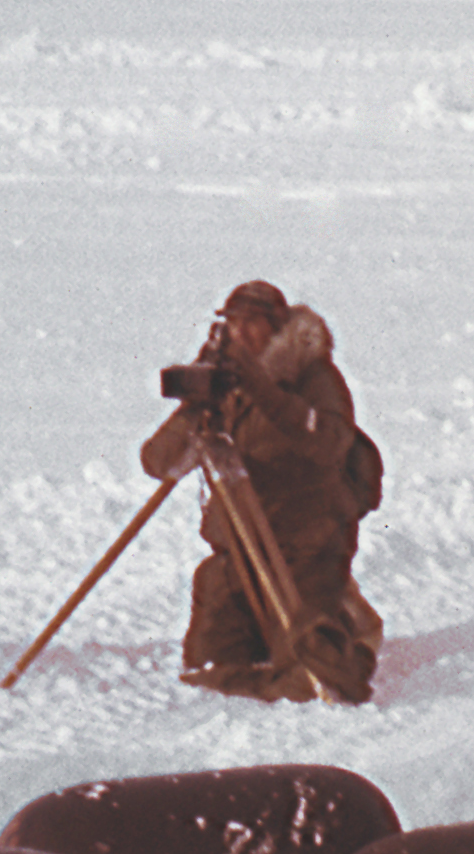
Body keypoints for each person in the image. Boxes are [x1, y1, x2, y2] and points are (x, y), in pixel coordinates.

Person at [139, 280, 381, 703]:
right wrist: (197, 403)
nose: (241, 334)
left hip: (303, 551)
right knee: (206, 671)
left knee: (317, 676)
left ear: (277, 327)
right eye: (232, 323)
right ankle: (270, 659)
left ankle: (348, 629)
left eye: (252, 323)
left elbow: (328, 441)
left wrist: (262, 389)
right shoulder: (225, 382)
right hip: (238, 551)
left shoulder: (314, 375)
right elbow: (156, 462)